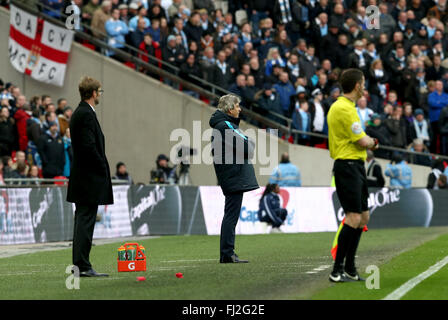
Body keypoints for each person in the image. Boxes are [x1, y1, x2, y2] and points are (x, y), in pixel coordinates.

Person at [327, 68, 379, 283]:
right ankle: (336, 269)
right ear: (357, 85)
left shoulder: (348, 107)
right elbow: (362, 140)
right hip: (347, 165)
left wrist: (367, 140)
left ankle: (349, 267)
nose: (365, 87)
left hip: (355, 165)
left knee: (363, 217)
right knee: (354, 217)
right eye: (363, 83)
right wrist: (374, 141)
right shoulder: (344, 109)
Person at [67, 76, 113, 277]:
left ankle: (80, 265)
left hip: (83, 177)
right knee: (85, 221)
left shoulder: (81, 112)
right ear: (93, 93)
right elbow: (88, 147)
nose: (100, 95)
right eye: (99, 92)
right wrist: (101, 165)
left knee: (83, 220)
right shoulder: (85, 114)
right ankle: (82, 266)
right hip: (88, 178)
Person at [209, 94, 258, 263]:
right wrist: (249, 141)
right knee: (231, 215)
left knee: (231, 214)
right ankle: (227, 253)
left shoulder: (223, 125)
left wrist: (248, 142)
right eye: (237, 106)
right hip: (233, 175)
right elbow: (248, 147)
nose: (240, 109)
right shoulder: (225, 126)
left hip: (231, 174)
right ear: (230, 109)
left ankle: (227, 253)